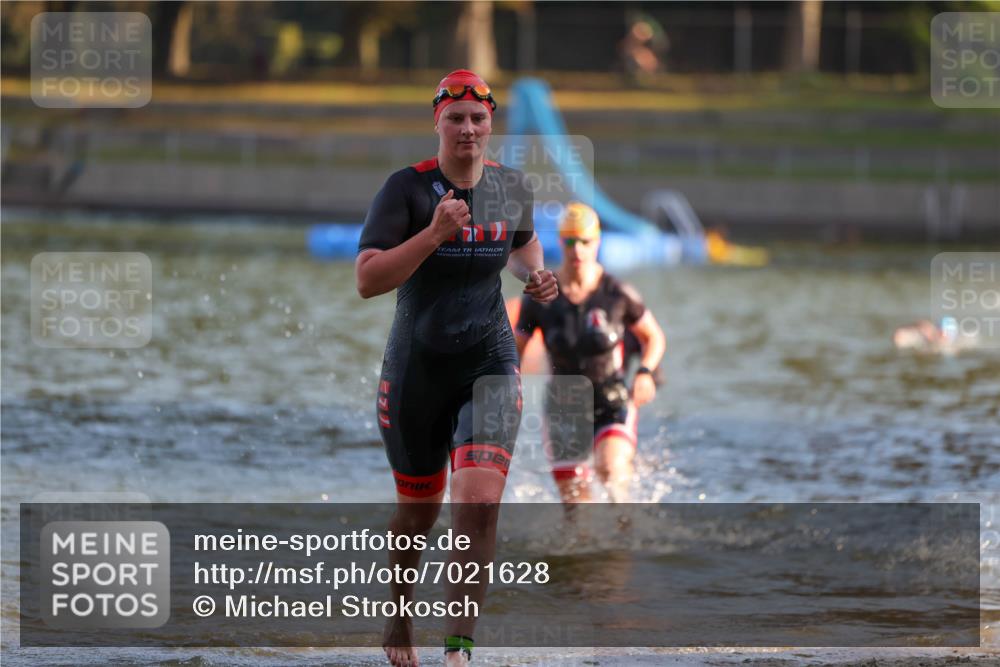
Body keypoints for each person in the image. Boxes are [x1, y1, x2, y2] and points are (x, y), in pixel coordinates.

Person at [355, 69, 558, 667]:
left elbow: (522, 244)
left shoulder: (510, 186)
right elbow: (368, 280)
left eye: (478, 118)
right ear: (436, 121)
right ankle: (397, 618)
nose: (468, 129)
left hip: (490, 358)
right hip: (416, 368)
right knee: (417, 516)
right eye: (456, 118)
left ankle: (458, 650)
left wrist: (534, 275)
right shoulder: (406, 190)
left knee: (479, 500)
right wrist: (434, 234)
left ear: (490, 122)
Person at [515, 202, 666, 504]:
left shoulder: (617, 293)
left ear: (597, 242)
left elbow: (654, 337)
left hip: (611, 400)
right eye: (570, 241)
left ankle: (624, 543)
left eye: (585, 241)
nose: (578, 250)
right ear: (560, 242)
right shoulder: (541, 295)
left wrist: (646, 372)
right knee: (576, 509)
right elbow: (514, 351)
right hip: (563, 407)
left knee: (611, 473)